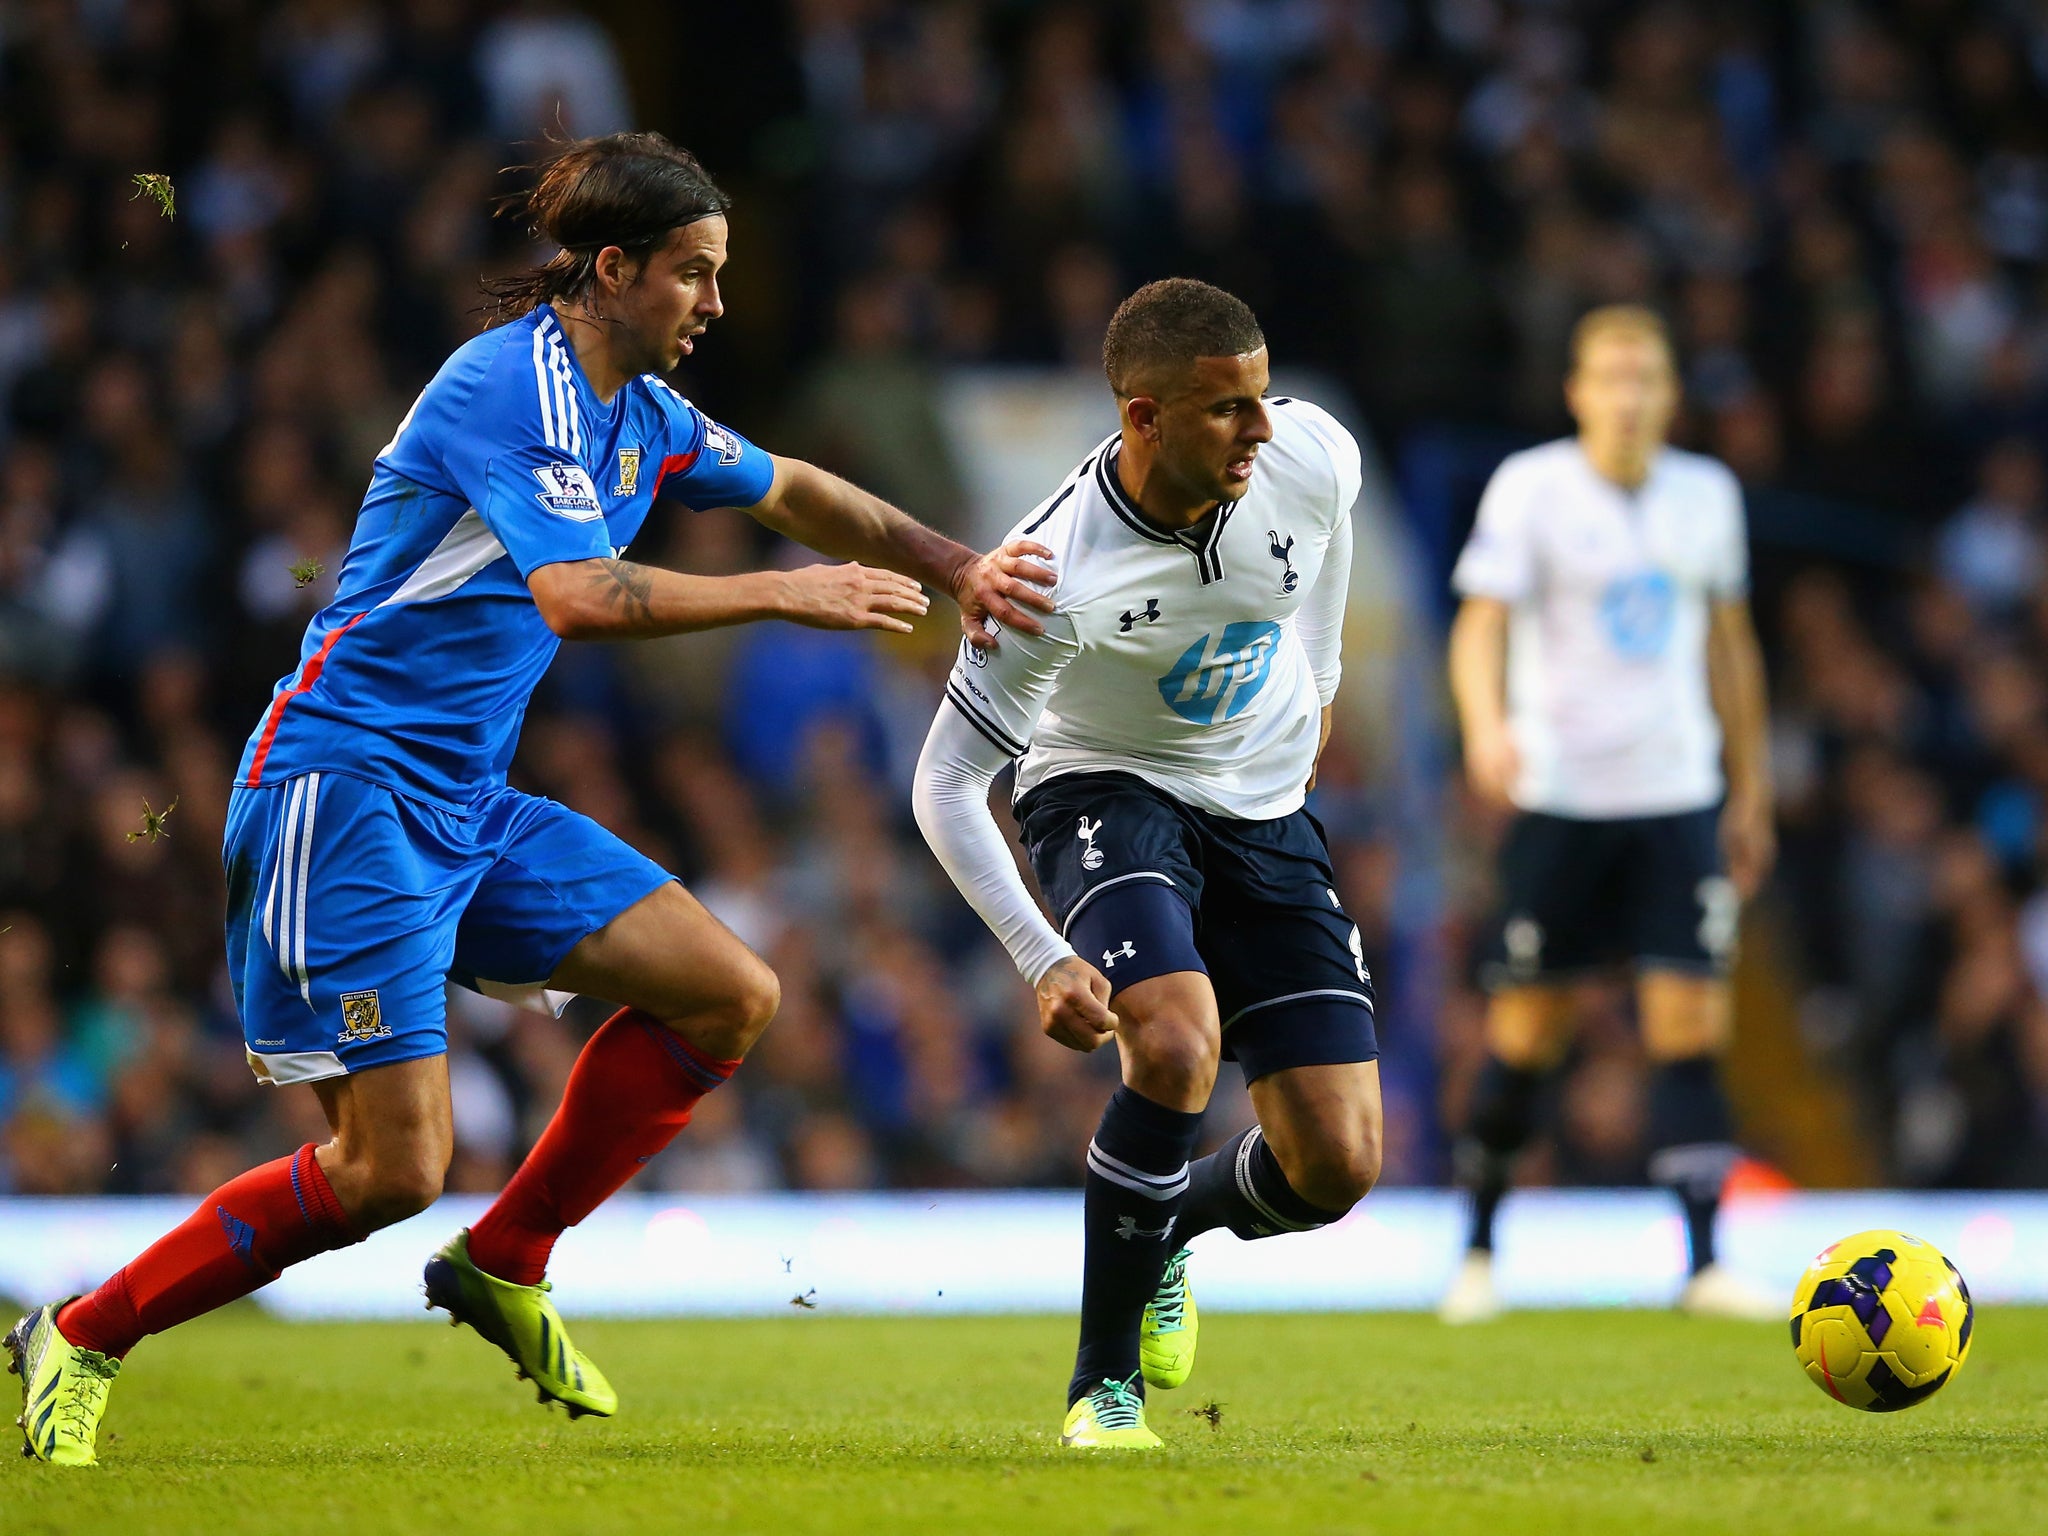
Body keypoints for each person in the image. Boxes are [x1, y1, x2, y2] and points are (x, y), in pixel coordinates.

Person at [7, 132, 1056, 1467]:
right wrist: (782, 592)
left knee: (728, 992)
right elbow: (579, 594)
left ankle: (506, 1257)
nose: (716, 304)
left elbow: (793, 488)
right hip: (344, 790)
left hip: (465, 799)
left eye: (721, 274)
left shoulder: (646, 414)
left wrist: (960, 565)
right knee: (390, 1168)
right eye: (693, 274)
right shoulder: (512, 389)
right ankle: (84, 1332)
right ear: (612, 270)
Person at [912, 279, 1381, 1449]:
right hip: (1104, 787)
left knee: (1335, 1163)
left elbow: (1317, 573)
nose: (1260, 429)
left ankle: (1165, 1220)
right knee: (1172, 1041)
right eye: (1227, 410)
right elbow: (944, 784)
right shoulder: (1047, 572)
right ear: (1142, 417)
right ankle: (1101, 1387)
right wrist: (1037, 954)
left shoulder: (1311, 453)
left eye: (1261, 399)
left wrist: (1316, 694)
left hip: (1264, 807)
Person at [1439, 304, 1777, 1324]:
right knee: (1527, 1030)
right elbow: (1477, 627)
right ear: (1577, 390)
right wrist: (1483, 728)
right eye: (1610, 378)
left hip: (1674, 795)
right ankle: (1479, 1252)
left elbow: (1728, 648)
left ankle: (1704, 1263)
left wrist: (1748, 786)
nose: (1627, 398)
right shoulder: (1530, 488)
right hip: (1562, 798)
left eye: (1646, 379)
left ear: (1669, 396)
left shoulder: (1704, 496)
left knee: (1689, 1024)